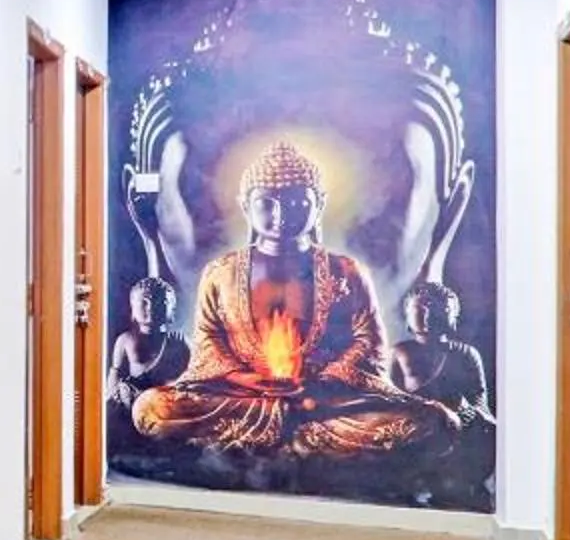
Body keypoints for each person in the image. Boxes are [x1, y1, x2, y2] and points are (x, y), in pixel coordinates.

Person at [131, 141, 452, 457]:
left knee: (436, 421)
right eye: (267, 203)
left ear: (320, 204)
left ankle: (269, 447)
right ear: (245, 205)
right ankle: (304, 448)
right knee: (151, 409)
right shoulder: (221, 272)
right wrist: (248, 379)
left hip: (324, 402)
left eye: (298, 202)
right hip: (246, 399)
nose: (282, 214)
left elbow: (368, 343)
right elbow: (209, 342)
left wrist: (320, 385)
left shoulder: (347, 271)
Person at [387, 281, 492, 424]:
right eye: (420, 308)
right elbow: (388, 400)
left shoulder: (466, 354)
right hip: (413, 426)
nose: (428, 314)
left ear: (453, 315)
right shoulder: (399, 353)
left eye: (438, 308)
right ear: (407, 314)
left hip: (457, 426)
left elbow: (480, 406)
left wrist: (465, 409)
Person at [107, 277, 189, 409]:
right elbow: (114, 377)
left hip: (166, 404)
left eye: (159, 301)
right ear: (133, 308)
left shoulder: (178, 341)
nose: (151, 307)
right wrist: (116, 393)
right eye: (144, 302)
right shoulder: (125, 340)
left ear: (171, 309)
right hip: (134, 404)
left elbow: (191, 378)